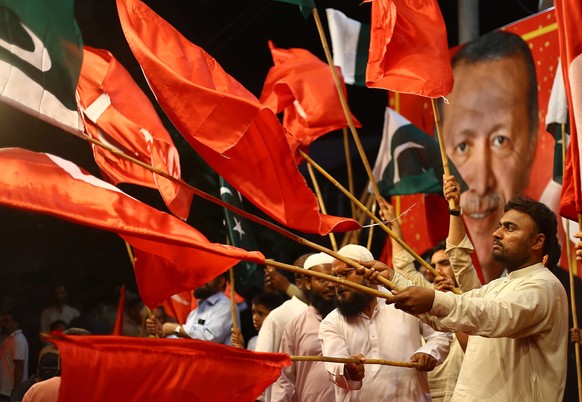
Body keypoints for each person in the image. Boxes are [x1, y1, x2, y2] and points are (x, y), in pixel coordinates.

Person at [386, 197, 568, 401]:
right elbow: (445, 318)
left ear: (537, 242)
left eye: (509, 228)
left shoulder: (544, 286)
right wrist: (391, 280)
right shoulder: (498, 286)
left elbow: (492, 315)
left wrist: (433, 299)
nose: (496, 234)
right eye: (499, 226)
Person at [441, 31, 538, 283]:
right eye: (462, 146)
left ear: (531, 147)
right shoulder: (446, 288)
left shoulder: (564, 294)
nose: (481, 183)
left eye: (500, 141)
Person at [319, 244, 452, 402]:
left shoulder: (404, 302)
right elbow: (334, 363)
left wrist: (429, 353)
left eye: (344, 274)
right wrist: (347, 369)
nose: (337, 282)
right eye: (335, 276)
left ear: (368, 271)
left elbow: (441, 334)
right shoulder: (332, 321)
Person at [272, 253, 337, 402]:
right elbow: (284, 379)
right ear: (307, 282)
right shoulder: (296, 326)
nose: (331, 284)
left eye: (335, 278)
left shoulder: (351, 320)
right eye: (323, 279)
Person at [255, 254, 313, 402]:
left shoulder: (333, 316)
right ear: (301, 282)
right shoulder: (279, 316)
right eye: (320, 278)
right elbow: (261, 367)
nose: (330, 284)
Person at [146, 272, 239, 345]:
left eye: (205, 275)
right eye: (198, 275)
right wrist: (162, 332)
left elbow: (210, 338)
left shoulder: (227, 306)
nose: (198, 280)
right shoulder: (194, 312)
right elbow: (185, 342)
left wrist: (176, 328)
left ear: (220, 282)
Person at [0, 310, 29, 401]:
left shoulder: (18, 339)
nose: (4, 324)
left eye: (7, 321)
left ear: (16, 323)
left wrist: (16, 391)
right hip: (6, 389)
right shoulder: (10, 338)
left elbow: (19, 366)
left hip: (10, 391)